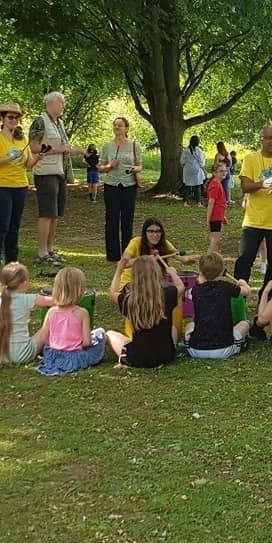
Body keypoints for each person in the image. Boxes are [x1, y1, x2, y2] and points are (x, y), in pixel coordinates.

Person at [234, 125, 272, 307]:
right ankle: (240, 295)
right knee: (245, 259)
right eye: (269, 138)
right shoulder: (251, 159)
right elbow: (245, 186)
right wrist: (261, 184)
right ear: (261, 139)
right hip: (253, 220)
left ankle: (266, 298)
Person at [29, 91, 83, 266]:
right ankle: (42, 251)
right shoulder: (40, 121)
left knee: (56, 213)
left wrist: (77, 151)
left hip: (60, 172)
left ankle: (50, 248)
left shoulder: (59, 123)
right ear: (51, 103)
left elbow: (63, 147)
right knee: (47, 212)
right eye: (61, 103)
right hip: (45, 172)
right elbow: (35, 147)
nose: (63, 106)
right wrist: (58, 149)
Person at [0, 102, 33, 271]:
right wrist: (9, 158)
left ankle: (12, 262)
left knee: (14, 225)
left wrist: (40, 156)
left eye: (16, 117)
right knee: (2, 224)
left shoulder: (22, 139)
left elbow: (29, 163)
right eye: (10, 117)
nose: (14, 120)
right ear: (3, 119)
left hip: (20, 185)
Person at [106, 255, 179, 368]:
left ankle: (130, 351)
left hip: (138, 357)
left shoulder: (128, 299)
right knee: (173, 328)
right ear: (156, 272)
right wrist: (172, 273)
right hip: (167, 355)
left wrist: (119, 270)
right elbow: (181, 287)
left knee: (110, 334)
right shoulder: (169, 293)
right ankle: (171, 346)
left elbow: (112, 293)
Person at [37, 266, 106, 376]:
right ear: (80, 290)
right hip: (75, 357)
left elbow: (44, 338)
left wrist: (58, 345)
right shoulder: (82, 313)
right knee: (100, 334)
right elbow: (87, 342)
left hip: (52, 355)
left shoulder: (51, 311)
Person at [185, 251, 252, 359]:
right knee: (245, 324)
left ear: (200, 271)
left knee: (190, 325)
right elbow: (247, 291)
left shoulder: (195, 290)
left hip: (195, 349)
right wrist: (243, 283)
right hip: (223, 349)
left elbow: (194, 291)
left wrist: (201, 279)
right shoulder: (226, 287)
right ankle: (239, 344)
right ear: (221, 271)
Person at [98, 117, 142, 263]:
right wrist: (109, 166)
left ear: (127, 128)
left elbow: (139, 165)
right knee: (112, 219)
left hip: (129, 186)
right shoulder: (107, 146)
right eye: (115, 125)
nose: (117, 127)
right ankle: (112, 255)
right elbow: (100, 167)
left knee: (127, 220)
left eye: (120, 125)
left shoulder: (134, 145)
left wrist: (135, 169)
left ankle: (126, 254)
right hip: (112, 185)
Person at [0, 262, 51, 363]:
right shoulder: (27, 299)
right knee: (46, 326)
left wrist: (4, 281)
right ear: (24, 283)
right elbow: (58, 301)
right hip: (22, 355)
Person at [119, 217, 193, 286]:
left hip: (154, 283)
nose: (155, 235)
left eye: (158, 231)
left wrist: (187, 259)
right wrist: (145, 259)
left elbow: (179, 256)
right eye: (151, 231)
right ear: (145, 232)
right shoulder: (136, 242)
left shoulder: (164, 243)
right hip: (132, 282)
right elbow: (123, 264)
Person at [205, 163, 229, 253]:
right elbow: (211, 203)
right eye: (221, 171)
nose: (224, 173)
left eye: (225, 171)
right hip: (215, 217)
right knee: (215, 240)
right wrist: (208, 220)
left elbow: (220, 203)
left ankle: (215, 262)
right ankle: (208, 260)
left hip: (218, 216)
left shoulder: (218, 184)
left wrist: (223, 216)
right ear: (214, 173)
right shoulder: (214, 185)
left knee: (216, 240)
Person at [180, 135, 207, 206]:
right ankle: (199, 203)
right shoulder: (199, 151)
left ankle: (185, 202)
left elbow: (182, 161)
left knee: (187, 186)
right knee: (197, 187)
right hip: (197, 170)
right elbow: (202, 162)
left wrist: (187, 164)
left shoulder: (186, 151)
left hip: (187, 170)